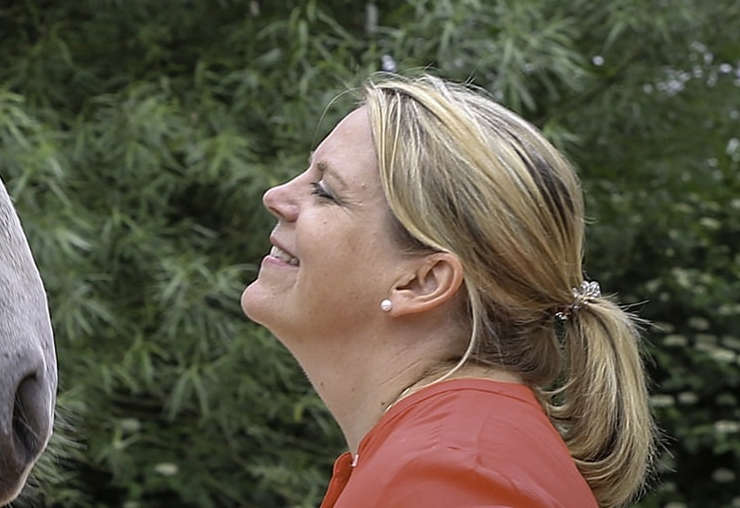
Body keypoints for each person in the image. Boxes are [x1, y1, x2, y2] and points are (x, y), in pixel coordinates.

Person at [240, 74, 657, 507]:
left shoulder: (448, 478)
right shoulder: (457, 455)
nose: (275, 196)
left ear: (421, 282)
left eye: (325, 192)